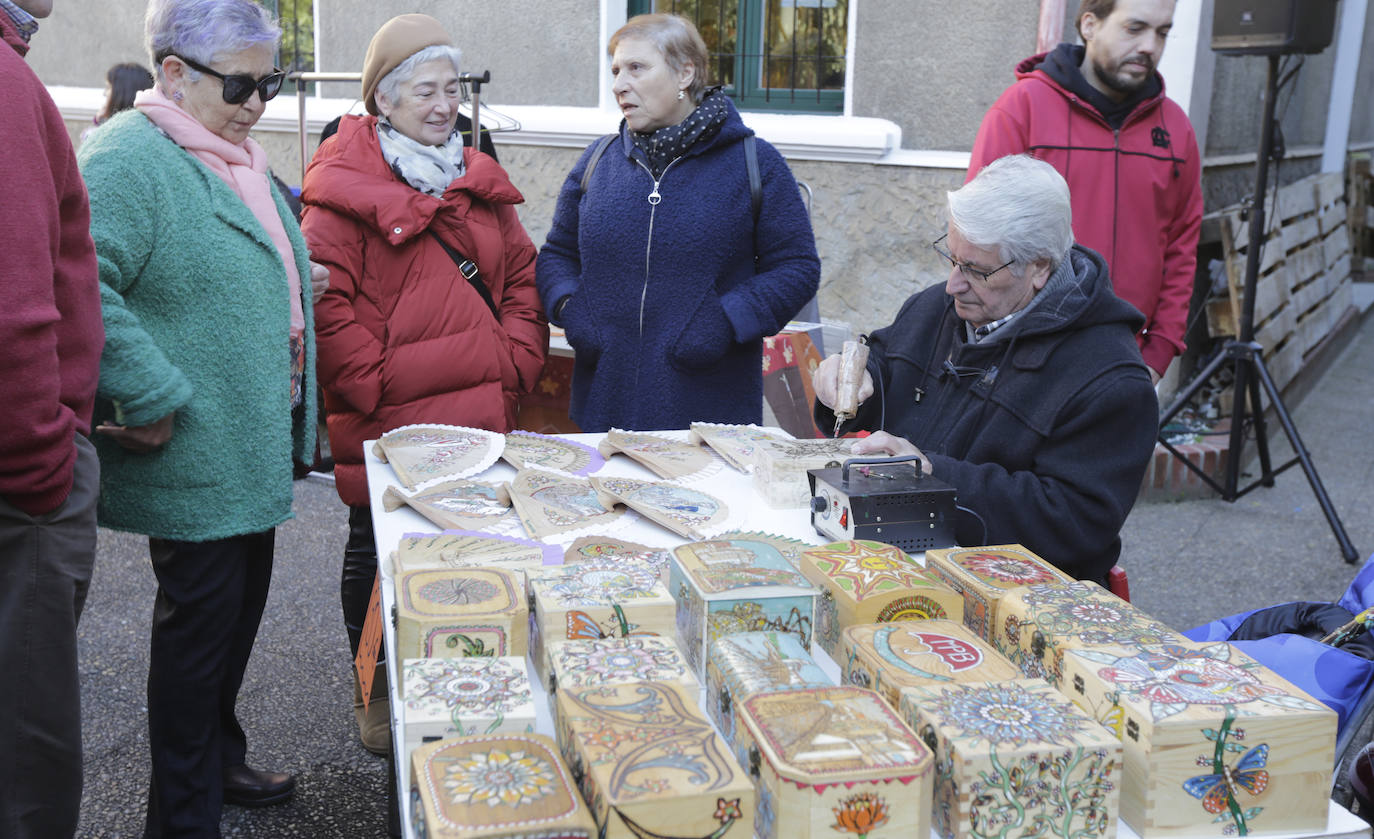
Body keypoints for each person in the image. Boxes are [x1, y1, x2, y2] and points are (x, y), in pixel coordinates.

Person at [77, 0, 328, 833]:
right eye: (244, 83)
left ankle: (219, 759)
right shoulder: (128, 157)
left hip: (247, 437)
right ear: (175, 74)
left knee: (234, 618)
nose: (259, 101)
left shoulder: (230, 152)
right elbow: (83, 284)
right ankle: (182, 815)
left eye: (272, 80)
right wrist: (145, 394)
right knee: (196, 639)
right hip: (196, 445)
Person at [299, 13, 548, 755]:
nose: (443, 106)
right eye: (424, 93)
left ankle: (467, 684)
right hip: (393, 420)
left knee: (473, 556)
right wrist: (371, 385)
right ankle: (373, 696)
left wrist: (515, 360)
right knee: (375, 560)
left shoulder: (478, 178)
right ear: (382, 101)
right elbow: (328, 299)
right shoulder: (342, 187)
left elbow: (522, 279)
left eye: (451, 90)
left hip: (482, 410)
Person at [813, 155, 1158, 585]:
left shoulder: (1111, 380)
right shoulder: (935, 308)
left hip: (1015, 603)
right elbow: (883, 372)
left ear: (1039, 268)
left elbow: (1072, 524)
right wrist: (850, 387)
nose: (954, 284)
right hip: (894, 565)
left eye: (976, 270)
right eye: (952, 258)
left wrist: (930, 478)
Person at [537, 13, 820, 432]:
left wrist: (726, 320)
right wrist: (569, 307)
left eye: (636, 68)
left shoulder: (755, 163)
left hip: (708, 418)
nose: (618, 85)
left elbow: (797, 267)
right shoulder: (597, 162)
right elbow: (558, 254)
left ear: (685, 72)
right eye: (615, 71)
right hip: (604, 409)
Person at [967, 0, 1202, 385]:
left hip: (1126, 362)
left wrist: (1158, 354)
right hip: (1026, 362)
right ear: (1090, 25)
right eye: (1134, 28)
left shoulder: (1176, 129)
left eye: (1162, 33)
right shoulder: (1022, 109)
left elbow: (1181, 246)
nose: (1149, 46)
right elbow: (979, 238)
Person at [0, 2, 104, 836]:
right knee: (27, 755)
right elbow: (13, 312)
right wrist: (43, 467)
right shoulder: (4, 83)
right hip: (21, 480)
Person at [83, 61, 155, 140]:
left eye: (108, 87)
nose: (104, 93)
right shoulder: (149, 129)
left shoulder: (112, 136)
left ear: (122, 93)